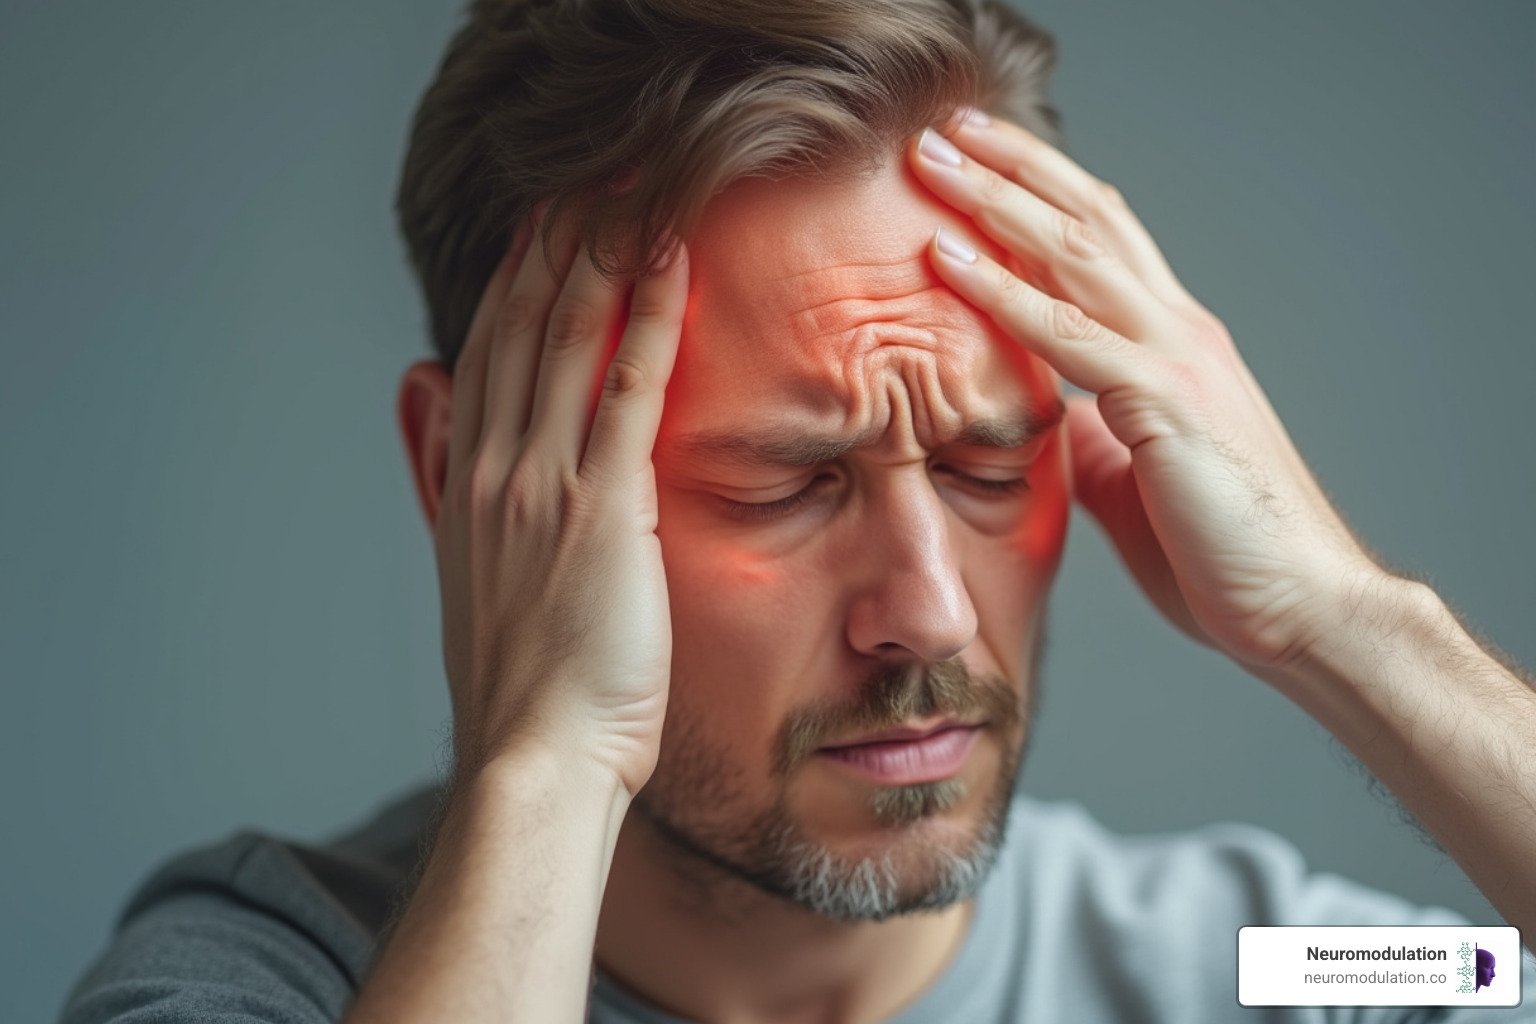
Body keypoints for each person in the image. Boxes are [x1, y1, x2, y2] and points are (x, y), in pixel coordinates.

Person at [59, 1, 1536, 1022]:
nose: (931, 610)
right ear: (465, 479)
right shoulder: (278, 975)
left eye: (984, 466)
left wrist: (1349, 624)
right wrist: (552, 764)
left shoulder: (1254, 967)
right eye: (786, 482)